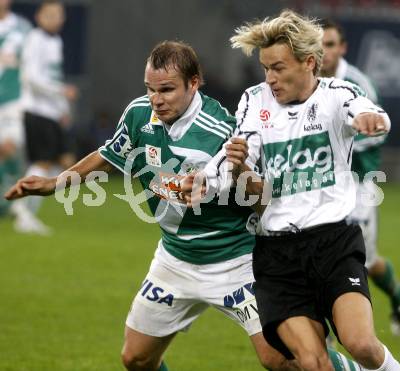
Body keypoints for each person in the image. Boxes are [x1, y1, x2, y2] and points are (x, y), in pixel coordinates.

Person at [4, 40, 363, 371]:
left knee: (280, 359)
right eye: (150, 89)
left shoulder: (225, 129)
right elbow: (108, 155)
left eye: (166, 90)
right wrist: (54, 183)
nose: (156, 99)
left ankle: (352, 367)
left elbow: (261, 198)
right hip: (175, 260)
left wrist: (236, 172)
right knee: (136, 358)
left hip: (236, 261)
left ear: (194, 84)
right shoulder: (139, 115)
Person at [195, 10, 400, 371]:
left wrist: (373, 120)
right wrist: (201, 182)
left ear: (309, 63)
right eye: (265, 69)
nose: (270, 78)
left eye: (278, 68)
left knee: (362, 345)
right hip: (278, 255)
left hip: (334, 244)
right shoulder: (254, 101)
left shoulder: (337, 95)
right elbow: (235, 150)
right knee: (312, 362)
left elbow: (368, 111)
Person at [320, 18, 400, 336]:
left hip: (358, 184)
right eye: (319, 44)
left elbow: (377, 132)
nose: (325, 51)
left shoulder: (359, 84)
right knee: (320, 253)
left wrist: (338, 143)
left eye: (331, 44)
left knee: (363, 261)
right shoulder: (308, 80)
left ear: (342, 47)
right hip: (321, 185)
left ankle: (396, 298)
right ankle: (325, 332)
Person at [13, 0, 78, 234]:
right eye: (50, 14)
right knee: (42, 163)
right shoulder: (35, 40)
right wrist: (61, 92)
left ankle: (25, 211)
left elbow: (53, 78)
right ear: (39, 16)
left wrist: (62, 110)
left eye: (59, 15)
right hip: (36, 111)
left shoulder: (56, 41)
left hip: (51, 112)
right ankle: (23, 213)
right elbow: (31, 77)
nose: (56, 19)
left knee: (55, 163)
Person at [0, 0, 31, 216]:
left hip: (13, 99)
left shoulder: (22, 28)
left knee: (9, 147)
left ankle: (17, 203)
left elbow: (31, 64)